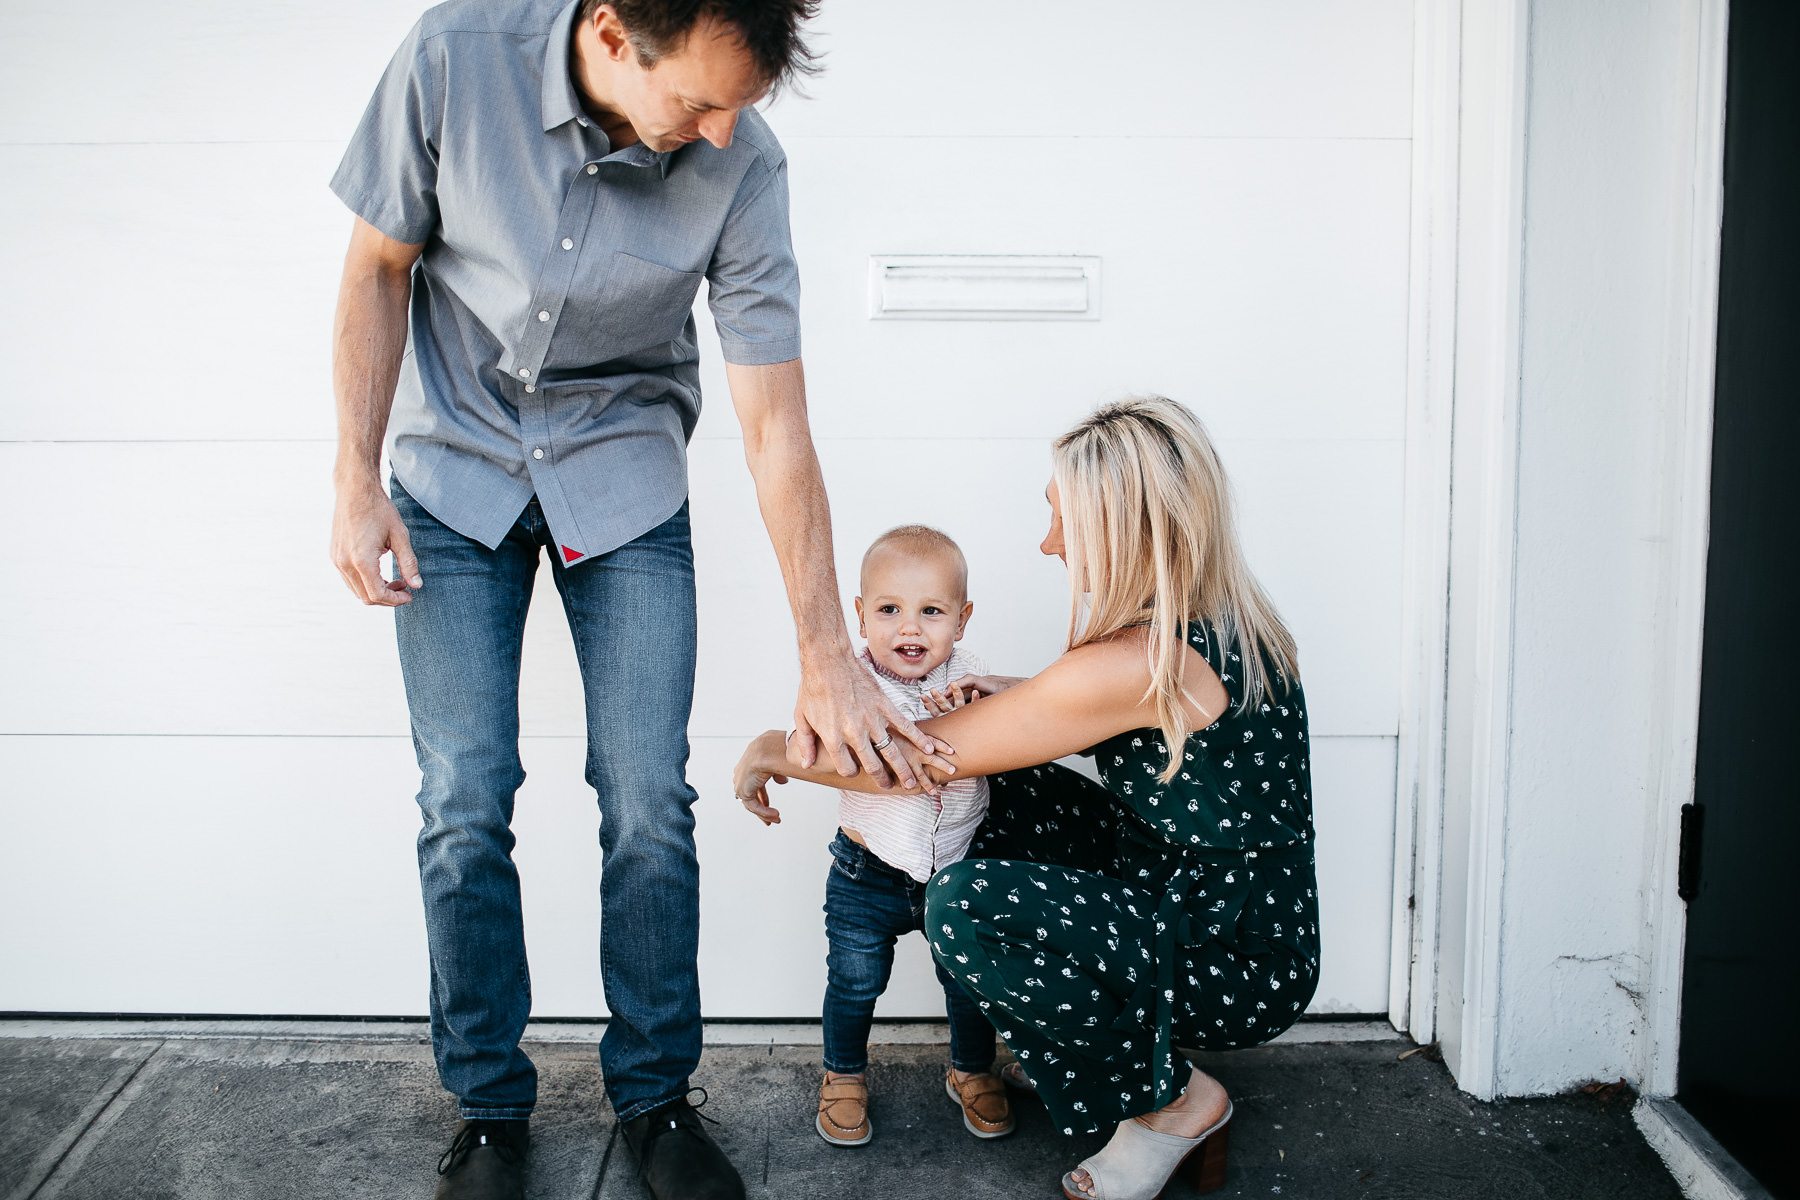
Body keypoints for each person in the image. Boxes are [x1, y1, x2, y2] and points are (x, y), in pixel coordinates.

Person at [325, 3, 946, 1197]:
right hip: (451, 473)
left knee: (650, 799)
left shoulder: (743, 161)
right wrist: (355, 482)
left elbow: (774, 425)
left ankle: (656, 1098)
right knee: (463, 796)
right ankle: (491, 1109)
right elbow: (375, 266)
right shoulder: (455, 59)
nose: (722, 136)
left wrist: (830, 650)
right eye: (701, 103)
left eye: (741, 107)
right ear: (613, 33)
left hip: (623, 481)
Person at [733, 396, 1321, 1200]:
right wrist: (1020, 694)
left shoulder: (1135, 659)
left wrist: (776, 749)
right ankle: (1088, 1043)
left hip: (1228, 958)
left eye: (1063, 522)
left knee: (963, 903)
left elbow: (917, 764)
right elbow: (1124, 724)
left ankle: (1177, 1103)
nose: (1048, 545)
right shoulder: (1220, 623)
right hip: (1232, 911)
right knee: (1002, 789)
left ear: (1124, 527)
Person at [740, 525, 1015, 1147]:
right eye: (889, 610)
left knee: (968, 980)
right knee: (855, 980)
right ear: (860, 617)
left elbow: (1002, 735)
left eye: (932, 611)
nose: (909, 629)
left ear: (962, 620)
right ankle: (843, 1075)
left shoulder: (974, 677)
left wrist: (982, 703)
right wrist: (773, 751)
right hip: (867, 873)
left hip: (959, 867)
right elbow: (820, 753)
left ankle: (971, 1069)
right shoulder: (843, 686)